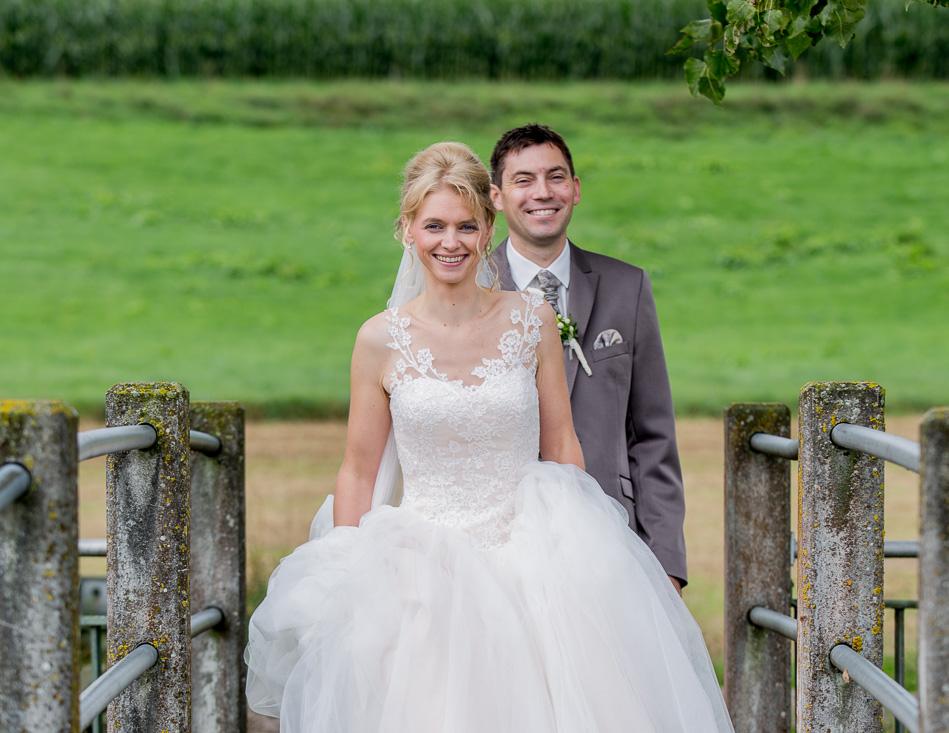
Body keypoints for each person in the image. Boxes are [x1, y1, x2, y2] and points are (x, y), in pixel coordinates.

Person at [244, 141, 733, 732]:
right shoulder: (378, 339)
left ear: (486, 229)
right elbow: (358, 469)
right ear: (407, 231)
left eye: (465, 226)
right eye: (434, 226)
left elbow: (561, 445)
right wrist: (343, 570)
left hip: (530, 555)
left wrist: (587, 547)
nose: (450, 242)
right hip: (423, 565)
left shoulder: (532, 322)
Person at [489, 124, 688, 591]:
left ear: (575, 190)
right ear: (497, 197)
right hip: (496, 546)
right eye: (523, 180)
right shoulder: (470, 290)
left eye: (556, 177)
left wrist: (667, 565)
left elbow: (653, 435)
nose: (543, 192)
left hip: (610, 539)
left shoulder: (627, 287)